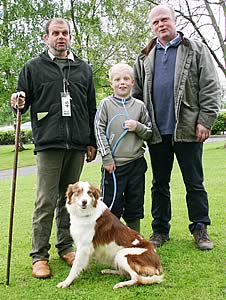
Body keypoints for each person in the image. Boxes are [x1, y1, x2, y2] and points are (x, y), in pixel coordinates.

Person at [10, 18, 97, 278]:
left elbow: (91, 107)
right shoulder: (33, 68)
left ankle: (65, 246)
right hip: (49, 143)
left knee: (68, 200)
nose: (61, 37)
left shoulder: (83, 69)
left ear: (70, 37)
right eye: (56, 33)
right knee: (45, 200)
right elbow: (21, 101)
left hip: (77, 144)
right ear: (46, 37)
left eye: (65, 33)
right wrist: (18, 100)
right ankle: (39, 256)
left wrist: (91, 140)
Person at [133, 5, 221, 250]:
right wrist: (140, 127)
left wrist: (205, 120)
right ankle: (160, 230)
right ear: (151, 26)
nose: (161, 25)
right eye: (155, 22)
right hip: (157, 132)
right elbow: (137, 94)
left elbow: (211, 87)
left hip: (188, 129)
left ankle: (200, 228)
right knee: (159, 183)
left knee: (194, 182)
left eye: (165, 19)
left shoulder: (195, 49)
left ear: (175, 20)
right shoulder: (144, 56)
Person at [95, 63, 152, 233]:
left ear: (133, 82)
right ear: (111, 83)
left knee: (135, 203)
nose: (122, 83)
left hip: (136, 163)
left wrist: (137, 126)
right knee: (112, 204)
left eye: (126, 79)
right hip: (113, 166)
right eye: (117, 79)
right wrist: (107, 158)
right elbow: (98, 130)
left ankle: (134, 236)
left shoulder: (139, 106)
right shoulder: (106, 104)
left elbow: (149, 132)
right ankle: (109, 238)